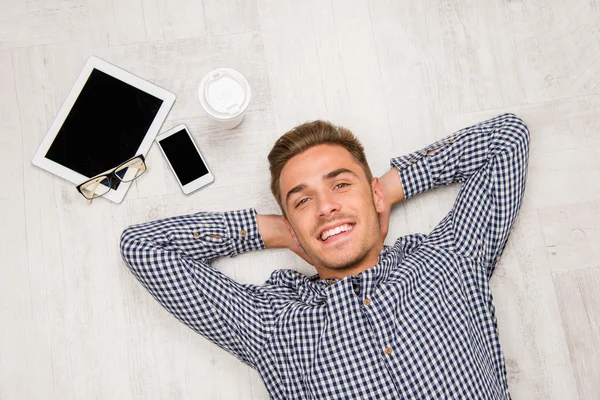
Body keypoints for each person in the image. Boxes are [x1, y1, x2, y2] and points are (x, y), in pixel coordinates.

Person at [120, 112, 530, 399]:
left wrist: (381, 194)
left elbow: (507, 139)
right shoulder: (271, 323)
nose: (325, 207)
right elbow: (145, 249)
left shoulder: (448, 259)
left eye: (339, 185)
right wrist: (282, 230)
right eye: (302, 201)